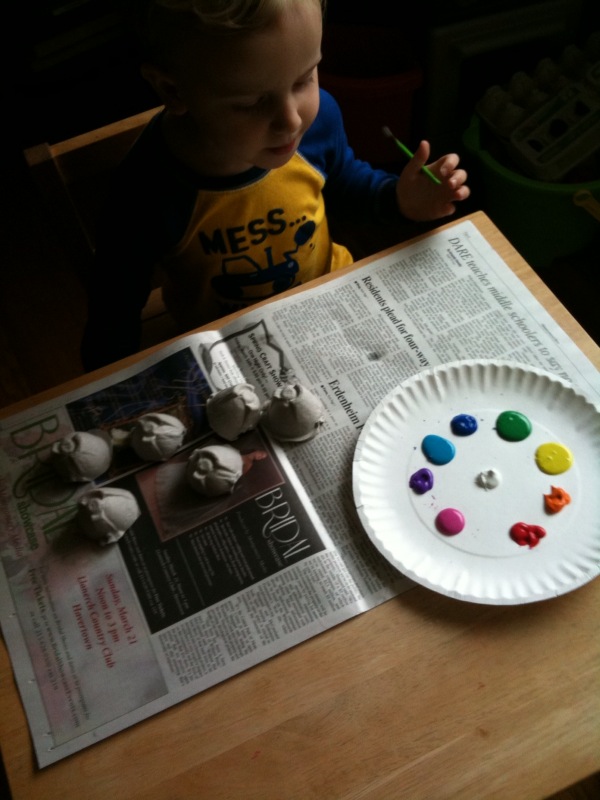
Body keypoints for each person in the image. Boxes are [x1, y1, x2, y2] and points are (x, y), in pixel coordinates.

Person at [81, 0, 470, 371]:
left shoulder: (319, 123)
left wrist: (400, 198)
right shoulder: (146, 186)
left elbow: (348, 186)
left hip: (329, 301)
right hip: (225, 347)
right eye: (251, 102)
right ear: (173, 91)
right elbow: (114, 306)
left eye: (304, 79)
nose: (291, 121)